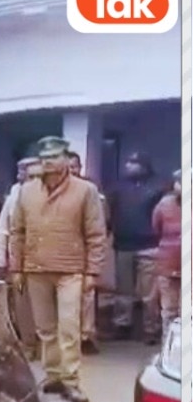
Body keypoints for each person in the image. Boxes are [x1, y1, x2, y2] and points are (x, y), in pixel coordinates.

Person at [8, 138, 107, 402]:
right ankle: (53, 376)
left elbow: (96, 234)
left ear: (66, 159)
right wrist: (16, 268)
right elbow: (17, 231)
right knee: (45, 328)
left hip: (71, 270)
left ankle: (71, 381)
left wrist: (92, 273)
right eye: (44, 157)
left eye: (54, 156)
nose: (48, 161)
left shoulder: (85, 190)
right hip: (36, 268)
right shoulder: (26, 191)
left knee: (69, 328)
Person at [106, 151, 167, 344]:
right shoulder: (117, 187)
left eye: (134, 163)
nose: (129, 166)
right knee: (123, 290)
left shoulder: (159, 186)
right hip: (123, 244)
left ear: (145, 165)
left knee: (149, 293)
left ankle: (151, 329)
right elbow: (109, 213)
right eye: (128, 162)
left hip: (149, 245)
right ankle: (122, 325)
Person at [0, 156, 42, 359]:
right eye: (22, 171)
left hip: (45, 258)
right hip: (19, 257)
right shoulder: (14, 194)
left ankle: (46, 347)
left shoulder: (49, 195)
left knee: (43, 306)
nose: (24, 176)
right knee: (21, 304)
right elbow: (4, 227)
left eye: (32, 174)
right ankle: (28, 344)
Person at [67, 151, 109, 354]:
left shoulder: (92, 193)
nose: (71, 170)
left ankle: (86, 336)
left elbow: (102, 225)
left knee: (86, 295)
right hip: (63, 252)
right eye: (67, 166)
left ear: (80, 167)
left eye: (74, 166)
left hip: (86, 251)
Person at [152, 170, 181, 340]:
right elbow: (156, 228)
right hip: (167, 263)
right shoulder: (164, 204)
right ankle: (168, 348)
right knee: (168, 310)